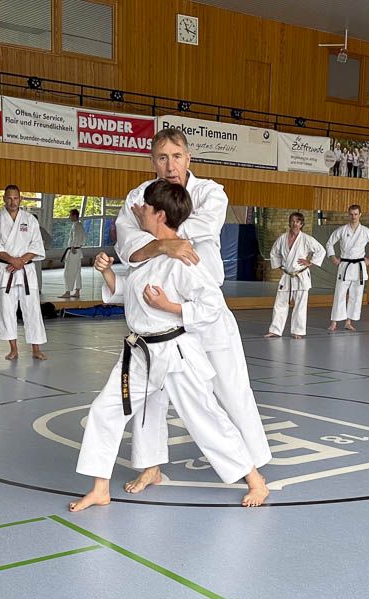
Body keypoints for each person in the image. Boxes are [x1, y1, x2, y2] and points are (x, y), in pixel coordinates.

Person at [70, 181, 256, 512]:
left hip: (175, 352)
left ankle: (255, 480)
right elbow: (130, 291)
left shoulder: (184, 259)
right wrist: (109, 273)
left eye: (144, 207)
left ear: (159, 214)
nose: (138, 210)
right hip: (140, 353)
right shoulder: (152, 252)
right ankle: (100, 488)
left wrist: (170, 306)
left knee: (204, 417)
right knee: (105, 410)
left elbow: (211, 305)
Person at [114, 128, 270, 506]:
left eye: (177, 156)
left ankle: (252, 462)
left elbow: (201, 229)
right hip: (159, 309)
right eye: (162, 157)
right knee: (151, 392)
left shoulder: (210, 192)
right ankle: (150, 465)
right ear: (152, 161)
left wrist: (155, 234)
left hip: (203, 303)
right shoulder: (138, 197)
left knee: (230, 385)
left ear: (188, 158)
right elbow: (127, 247)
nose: (170, 165)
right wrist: (163, 241)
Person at [0, 185, 47, 361]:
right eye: (9, 198)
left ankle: (36, 349)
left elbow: (37, 244)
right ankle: (13, 349)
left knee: (33, 310)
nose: (13, 202)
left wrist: (21, 261)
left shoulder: (29, 219)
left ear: (20, 199)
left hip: (26, 270)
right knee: (7, 311)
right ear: (4, 199)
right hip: (6, 270)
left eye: (16, 198)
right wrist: (12, 260)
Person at [264, 212, 325, 339]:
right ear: (289, 223)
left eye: (297, 221)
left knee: (300, 305)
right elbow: (274, 253)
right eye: (292, 221)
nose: (294, 224)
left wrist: (310, 262)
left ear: (301, 224)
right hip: (287, 276)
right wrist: (279, 265)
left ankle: (298, 331)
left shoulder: (306, 239)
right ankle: (275, 330)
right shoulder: (282, 238)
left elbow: (321, 250)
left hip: (301, 275)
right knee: (280, 303)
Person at [327, 204, 369, 331]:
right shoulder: (342, 230)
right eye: (351, 214)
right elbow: (329, 243)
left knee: (356, 295)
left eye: (356, 214)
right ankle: (334, 322)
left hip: (359, 267)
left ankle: (348, 322)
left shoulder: (366, 231)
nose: (353, 217)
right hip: (345, 265)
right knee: (339, 294)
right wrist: (333, 258)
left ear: (360, 215)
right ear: (348, 214)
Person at [60, 208, 86, 299]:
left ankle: (68, 292)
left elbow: (76, 237)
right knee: (77, 272)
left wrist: (73, 246)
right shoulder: (79, 225)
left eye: (70, 215)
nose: (69, 217)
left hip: (74, 251)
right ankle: (77, 291)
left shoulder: (76, 226)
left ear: (75, 216)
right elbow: (83, 238)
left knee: (69, 272)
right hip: (77, 251)